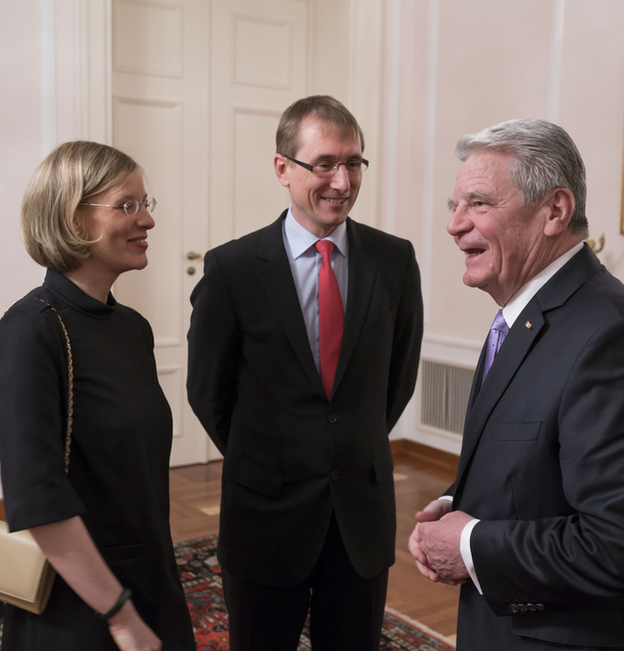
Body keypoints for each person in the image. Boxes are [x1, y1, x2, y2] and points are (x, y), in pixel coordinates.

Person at [409, 119, 624, 650]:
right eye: (453, 206)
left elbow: (621, 547)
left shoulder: (616, 337)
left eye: (478, 204)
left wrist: (472, 544)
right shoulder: (521, 315)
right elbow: (551, 463)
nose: (454, 225)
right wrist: (463, 502)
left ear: (554, 211)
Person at [187, 95, 423, 651]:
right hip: (265, 518)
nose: (342, 181)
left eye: (354, 163)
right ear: (282, 168)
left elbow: (398, 378)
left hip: (360, 520)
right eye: (324, 164)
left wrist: (345, 444)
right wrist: (272, 456)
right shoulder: (232, 269)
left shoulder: (395, 260)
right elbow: (208, 392)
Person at [0, 141, 196, 651]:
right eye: (127, 205)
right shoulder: (29, 331)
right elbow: (38, 499)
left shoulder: (131, 328)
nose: (146, 220)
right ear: (71, 220)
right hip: (78, 608)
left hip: (148, 582)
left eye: (147, 204)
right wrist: (120, 617)